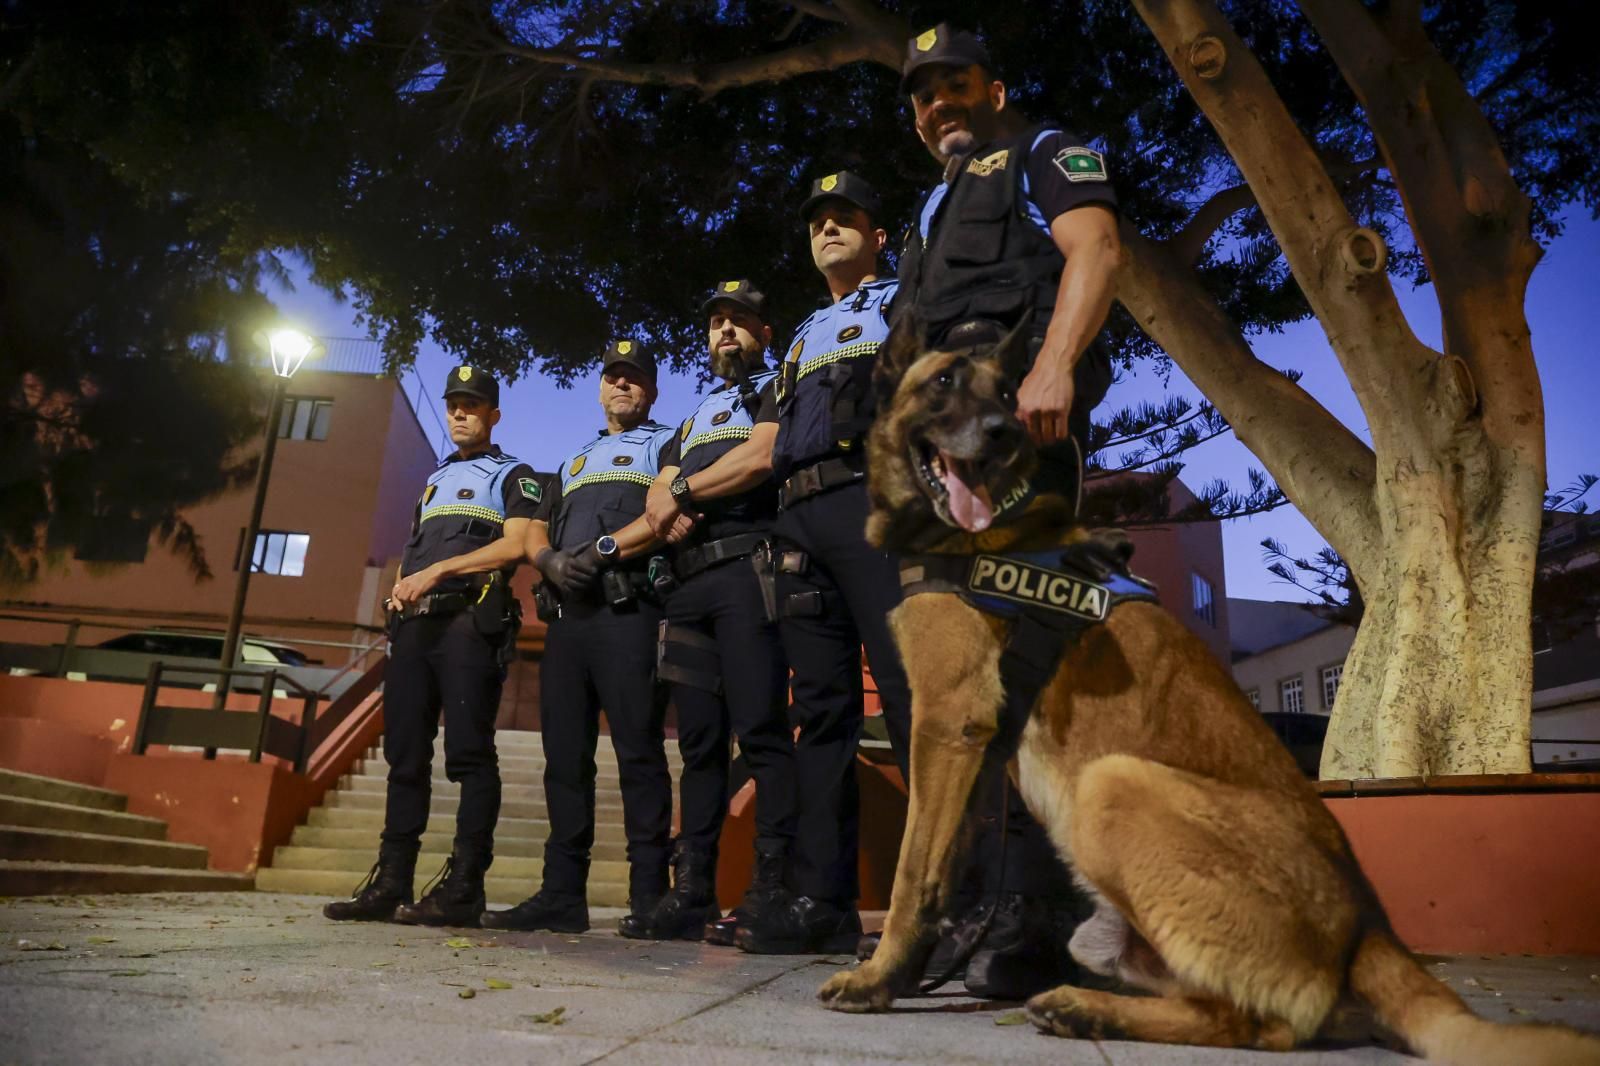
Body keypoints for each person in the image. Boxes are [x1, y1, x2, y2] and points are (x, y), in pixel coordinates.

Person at [889, 22, 1123, 998]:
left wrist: (1058, 363)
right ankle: (962, 898)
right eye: (922, 94)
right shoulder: (929, 212)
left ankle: (1035, 908)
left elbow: (1096, 248)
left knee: (1028, 665)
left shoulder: (1037, 150)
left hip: (1019, 435)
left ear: (993, 86)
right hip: (940, 463)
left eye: (954, 84)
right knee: (955, 690)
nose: (938, 103)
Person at [646, 172, 912, 955]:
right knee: (822, 713)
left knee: (906, 693)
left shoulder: (905, 300)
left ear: (879, 234)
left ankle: (950, 900)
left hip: (877, 499)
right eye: (818, 221)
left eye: (846, 217)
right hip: (802, 525)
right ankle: (821, 901)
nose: (829, 228)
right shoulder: (798, 336)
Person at [323, 365, 541, 927]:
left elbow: (516, 545)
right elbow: (413, 550)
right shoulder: (434, 480)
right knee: (405, 756)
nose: (461, 414)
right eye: (454, 405)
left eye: (472, 405)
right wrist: (399, 588)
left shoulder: (512, 474)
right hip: (415, 627)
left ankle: (463, 888)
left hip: (470, 621)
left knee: (469, 755)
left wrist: (438, 572)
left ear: (494, 414)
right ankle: (391, 882)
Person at [618, 280, 797, 944]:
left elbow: (763, 457)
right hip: (689, 587)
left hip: (750, 572)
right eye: (717, 321)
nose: (726, 331)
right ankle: (692, 891)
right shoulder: (692, 418)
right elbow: (658, 493)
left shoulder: (780, 384)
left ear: (764, 333)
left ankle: (769, 891)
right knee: (698, 748)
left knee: (760, 731)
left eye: (740, 320)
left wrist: (685, 490)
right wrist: (672, 499)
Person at [480, 342, 676, 934]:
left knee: (639, 755)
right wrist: (546, 560)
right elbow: (537, 528)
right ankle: (562, 895)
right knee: (564, 761)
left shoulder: (665, 444)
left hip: (629, 613)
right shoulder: (575, 460)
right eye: (613, 377)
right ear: (599, 388)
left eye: (634, 379)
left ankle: (648, 898)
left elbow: (666, 516)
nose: (622, 386)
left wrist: (603, 552)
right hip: (568, 621)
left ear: (651, 391)